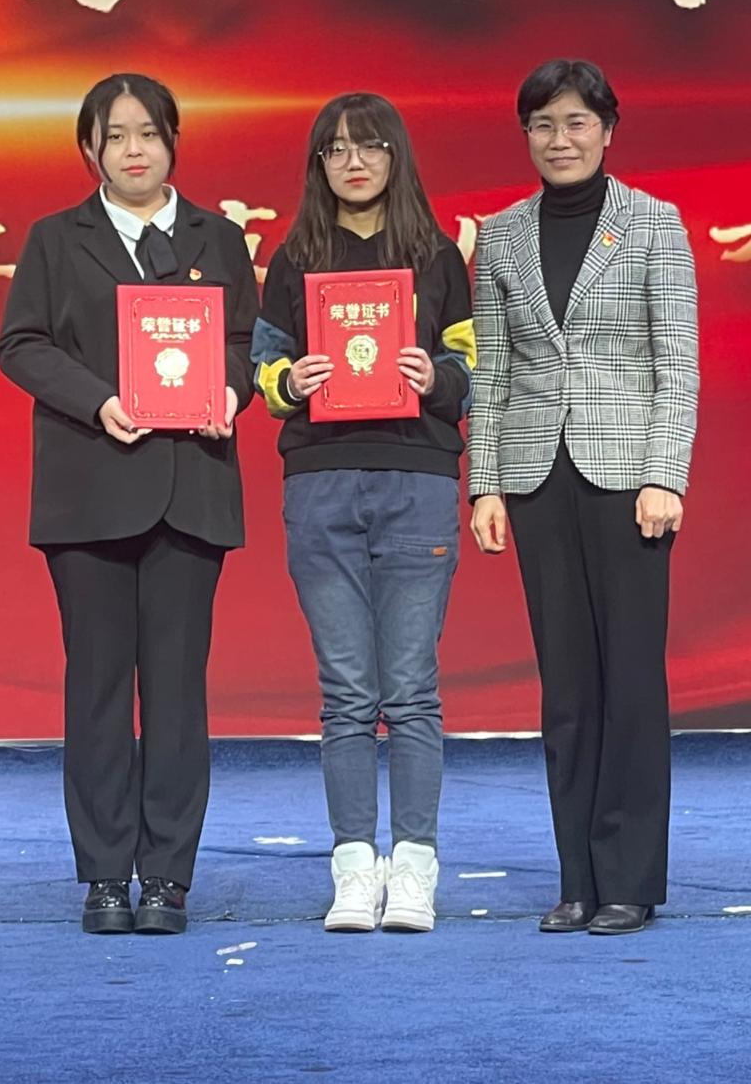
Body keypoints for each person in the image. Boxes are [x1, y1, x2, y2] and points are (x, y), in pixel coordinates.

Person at [0, 73, 256, 936]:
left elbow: (247, 342)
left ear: (173, 141)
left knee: (177, 692)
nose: (135, 149)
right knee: (99, 689)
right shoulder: (55, 239)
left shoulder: (218, 238)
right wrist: (98, 399)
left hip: (190, 490)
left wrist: (230, 390)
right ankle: (107, 874)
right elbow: (20, 343)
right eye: (116, 136)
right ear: (90, 150)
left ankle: (169, 876)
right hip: (90, 493)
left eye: (149, 132)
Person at [466, 58, 699, 936]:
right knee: (566, 686)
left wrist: (665, 473)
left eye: (575, 122)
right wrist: (486, 482)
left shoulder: (653, 223)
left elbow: (676, 363)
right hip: (536, 478)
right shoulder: (501, 235)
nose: (558, 139)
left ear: (607, 129)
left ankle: (629, 877)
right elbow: (492, 374)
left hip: (628, 478)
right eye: (542, 124)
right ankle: (577, 878)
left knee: (630, 678)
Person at [251, 92, 474, 933]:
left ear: (395, 157)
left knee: (410, 689)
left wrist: (435, 377)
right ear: (319, 163)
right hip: (321, 481)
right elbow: (263, 369)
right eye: (337, 148)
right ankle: (353, 866)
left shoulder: (436, 256)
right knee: (346, 692)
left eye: (371, 146)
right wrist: (290, 381)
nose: (354, 161)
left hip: (416, 478)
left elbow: (471, 369)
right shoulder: (295, 258)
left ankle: (413, 867)